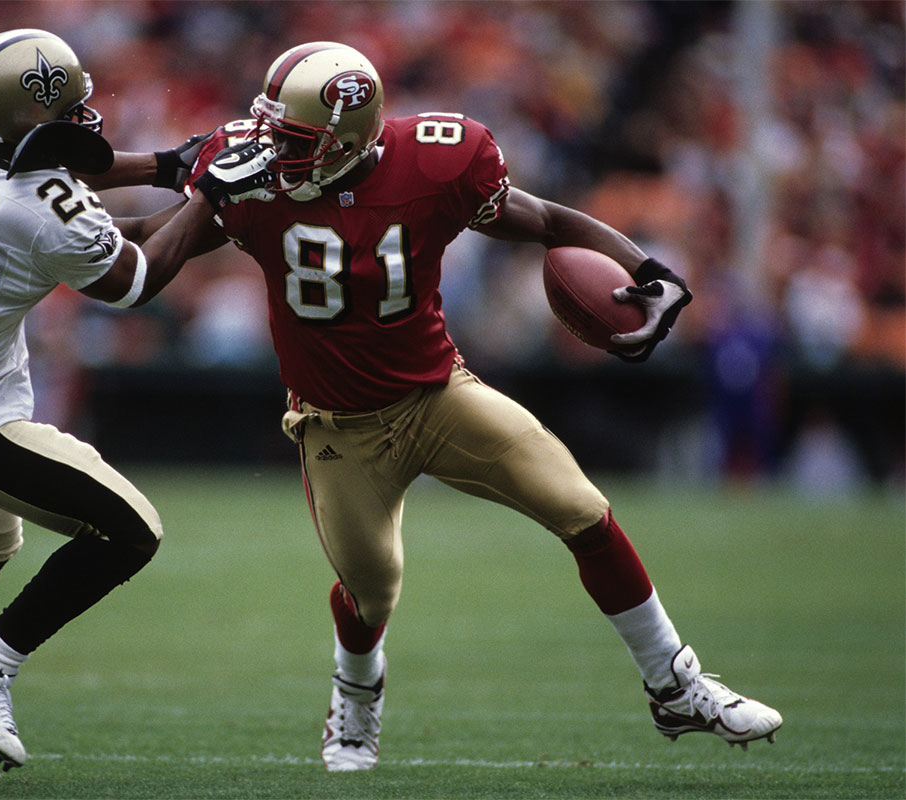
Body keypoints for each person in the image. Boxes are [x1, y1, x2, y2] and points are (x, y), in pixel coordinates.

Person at [183, 41, 783, 771]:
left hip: (439, 396)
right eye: (274, 134)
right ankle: (357, 693)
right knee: (371, 592)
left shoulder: (438, 160)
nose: (276, 152)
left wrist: (648, 269)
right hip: (338, 429)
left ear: (348, 137)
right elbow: (161, 194)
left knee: (582, 509)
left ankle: (675, 684)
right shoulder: (249, 176)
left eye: (297, 140)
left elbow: (546, 220)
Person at [0, 28, 272, 777]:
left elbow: (86, 213)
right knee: (130, 531)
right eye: (70, 111)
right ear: (33, 127)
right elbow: (133, 277)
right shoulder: (35, 209)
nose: (88, 118)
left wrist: (171, 169)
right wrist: (216, 195)